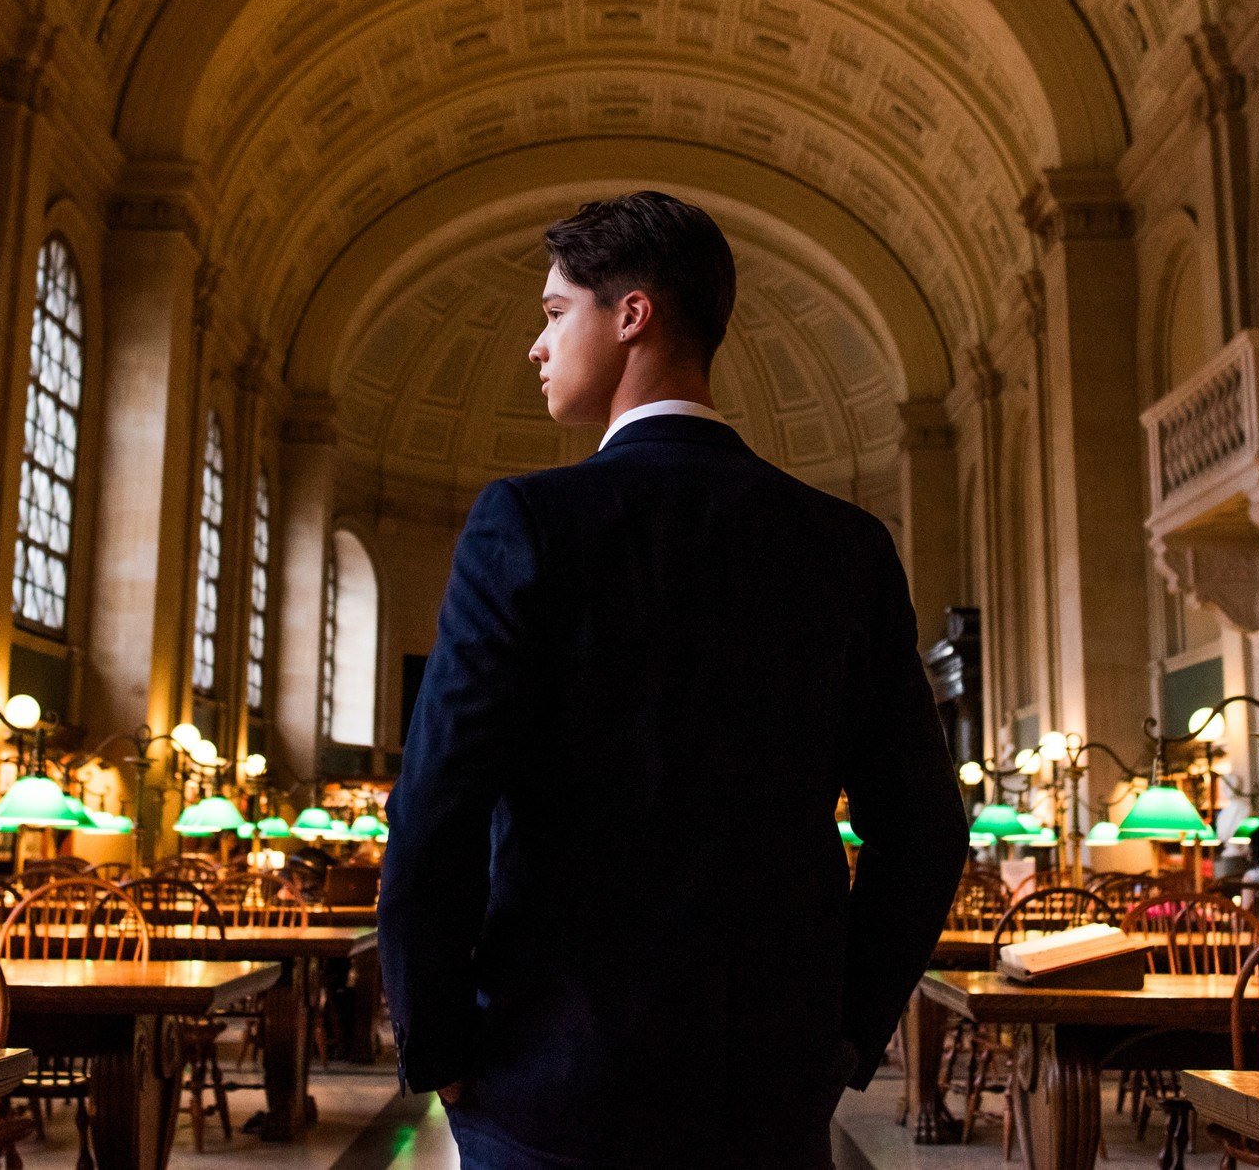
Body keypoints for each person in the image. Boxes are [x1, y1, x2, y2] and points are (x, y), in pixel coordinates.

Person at [380, 192, 969, 1170]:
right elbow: (923, 828)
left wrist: (442, 1055)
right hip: (767, 1095)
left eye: (554, 311)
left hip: (550, 1086)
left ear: (632, 313)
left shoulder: (525, 523)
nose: (536, 343)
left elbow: (435, 808)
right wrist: (841, 1037)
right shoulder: (844, 546)